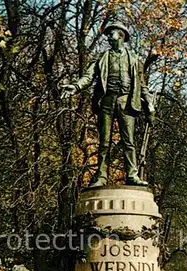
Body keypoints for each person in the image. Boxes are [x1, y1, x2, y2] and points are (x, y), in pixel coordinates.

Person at [62, 22, 155, 187]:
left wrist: (150, 105)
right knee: (104, 142)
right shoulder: (102, 58)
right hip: (107, 101)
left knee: (129, 141)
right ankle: (102, 177)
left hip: (126, 102)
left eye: (110, 33)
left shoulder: (134, 59)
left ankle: (132, 175)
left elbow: (142, 85)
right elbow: (88, 76)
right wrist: (75, 86)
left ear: (120, 35)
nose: (108, 36)